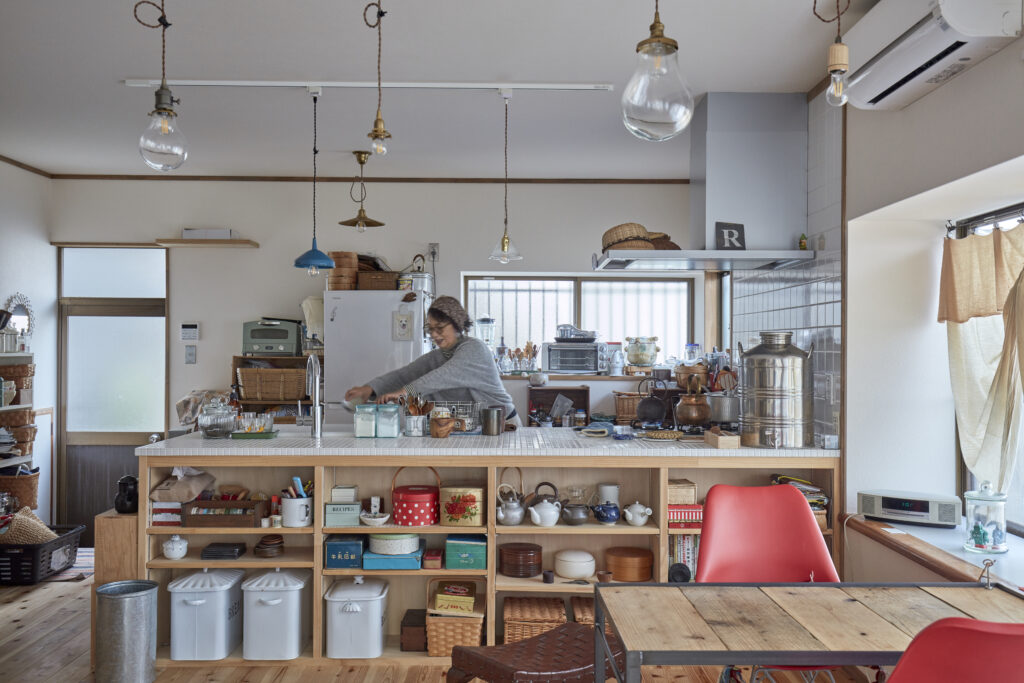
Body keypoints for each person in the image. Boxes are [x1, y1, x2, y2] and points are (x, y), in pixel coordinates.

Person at [345, 296, 521, 427]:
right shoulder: (438, 356)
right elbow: (404, 375)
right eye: (431, 329)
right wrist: (370, 388)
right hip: (475, 428)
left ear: (457, 324)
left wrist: (403, 393)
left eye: (440, 328)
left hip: (504, 426)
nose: (434, 335)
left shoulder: (475, 349)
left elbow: (440, 377)